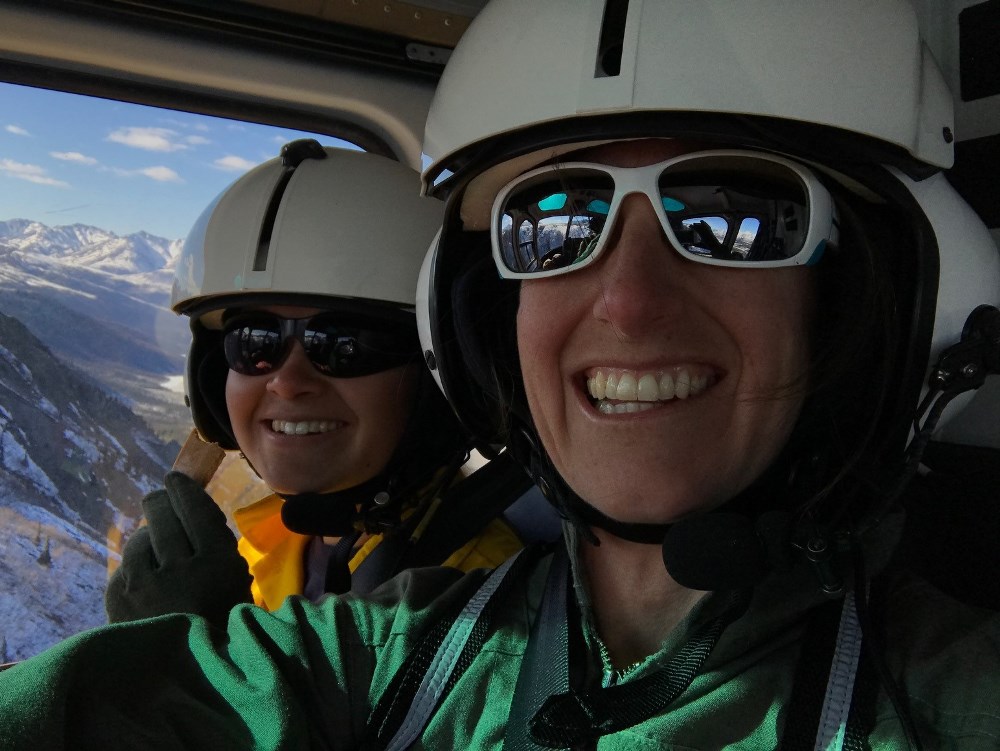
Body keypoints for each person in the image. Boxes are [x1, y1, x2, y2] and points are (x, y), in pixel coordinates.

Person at [1, 2, 999, 748]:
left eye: (736, 217)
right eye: (552, 221)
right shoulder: (400, 650)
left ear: (866, 314)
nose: (629, 302)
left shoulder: (940, 693)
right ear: (479, 321)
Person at [103, 140, 525, 627]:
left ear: (441, 379)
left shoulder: (481, 598)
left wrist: (194, 661)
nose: (287, 382)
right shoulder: (272, 546)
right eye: (254, 343)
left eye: (344, 345)